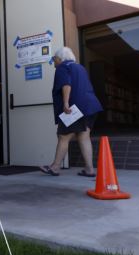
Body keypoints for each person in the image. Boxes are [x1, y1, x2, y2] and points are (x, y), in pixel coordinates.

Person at [40, 46, 103, 177]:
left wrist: (66, 103)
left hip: (75, 108)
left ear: (59, 58)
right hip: (91, 106)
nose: (54, 62)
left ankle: (55, 167)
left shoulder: (63, 67)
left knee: (63, 136)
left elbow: (66, 84)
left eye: (54, 59)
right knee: (84, 136)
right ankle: (90, 169)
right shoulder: (80, 68)